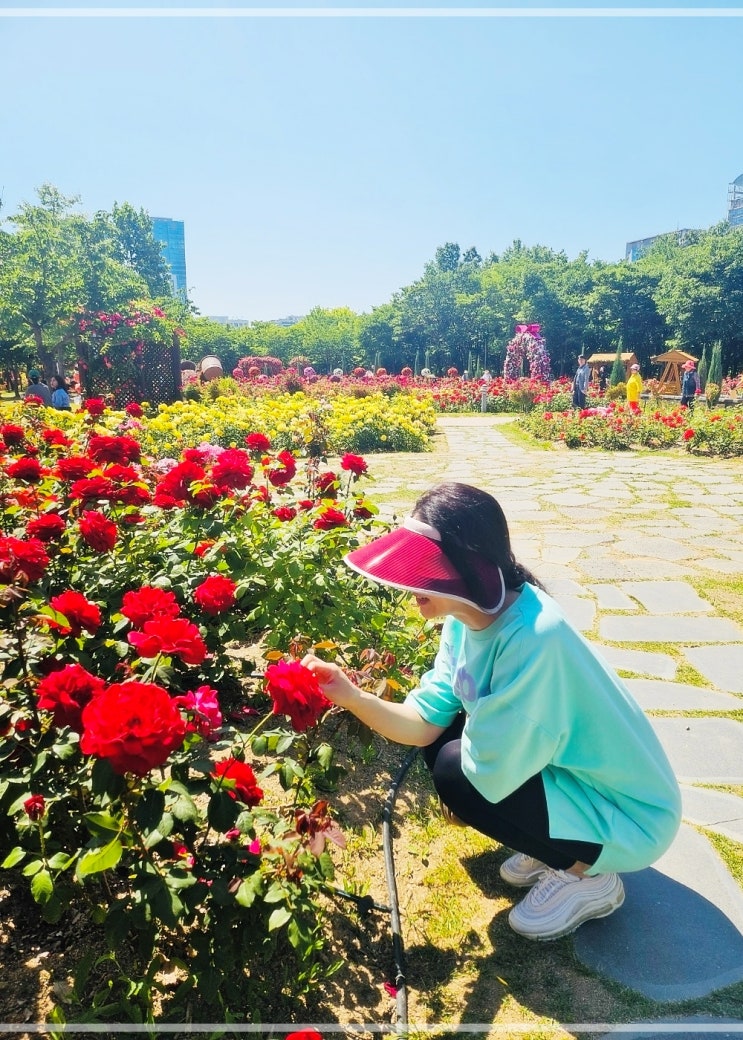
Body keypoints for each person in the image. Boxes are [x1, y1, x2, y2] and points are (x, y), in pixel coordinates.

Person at [302, 483, 681, 941]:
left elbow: (482, 774)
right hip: (577, 776)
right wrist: (353, 697)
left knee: (456, 771)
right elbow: (424, 722)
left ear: (469, 566)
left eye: (424, 566)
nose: (409, 582)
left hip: (631, 818)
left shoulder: (534, 638)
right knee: (447, 740)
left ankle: (586, 874)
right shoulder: (467, 618)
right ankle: (554, 845)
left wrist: (469, 803)